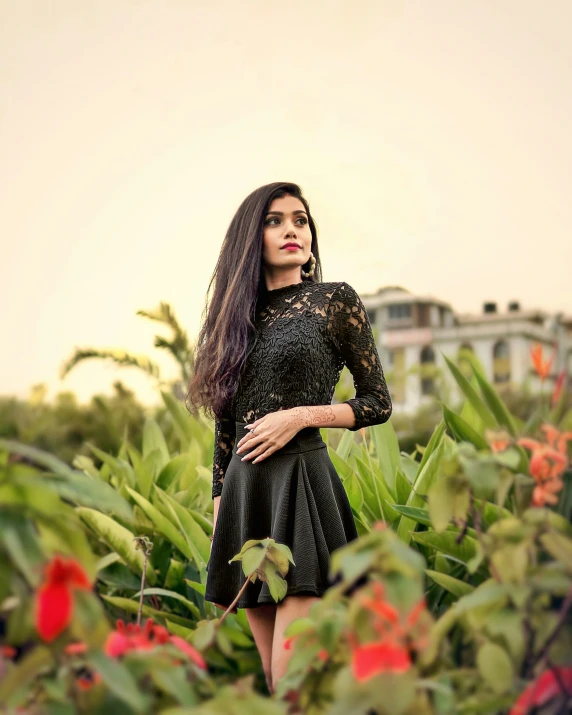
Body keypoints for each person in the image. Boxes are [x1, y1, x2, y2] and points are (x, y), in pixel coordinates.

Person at [186, 181, 392, 694]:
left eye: (300, 220)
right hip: (246, 498)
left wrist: (300, 416)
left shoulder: (332, 302)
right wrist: (220, 507)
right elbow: (225, 425)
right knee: (277, 685)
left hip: (301, 487)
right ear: (251, 238)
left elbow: (377, 402)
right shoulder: (234, 319)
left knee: (296, 681)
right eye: (275, 221)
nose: (291, 230)